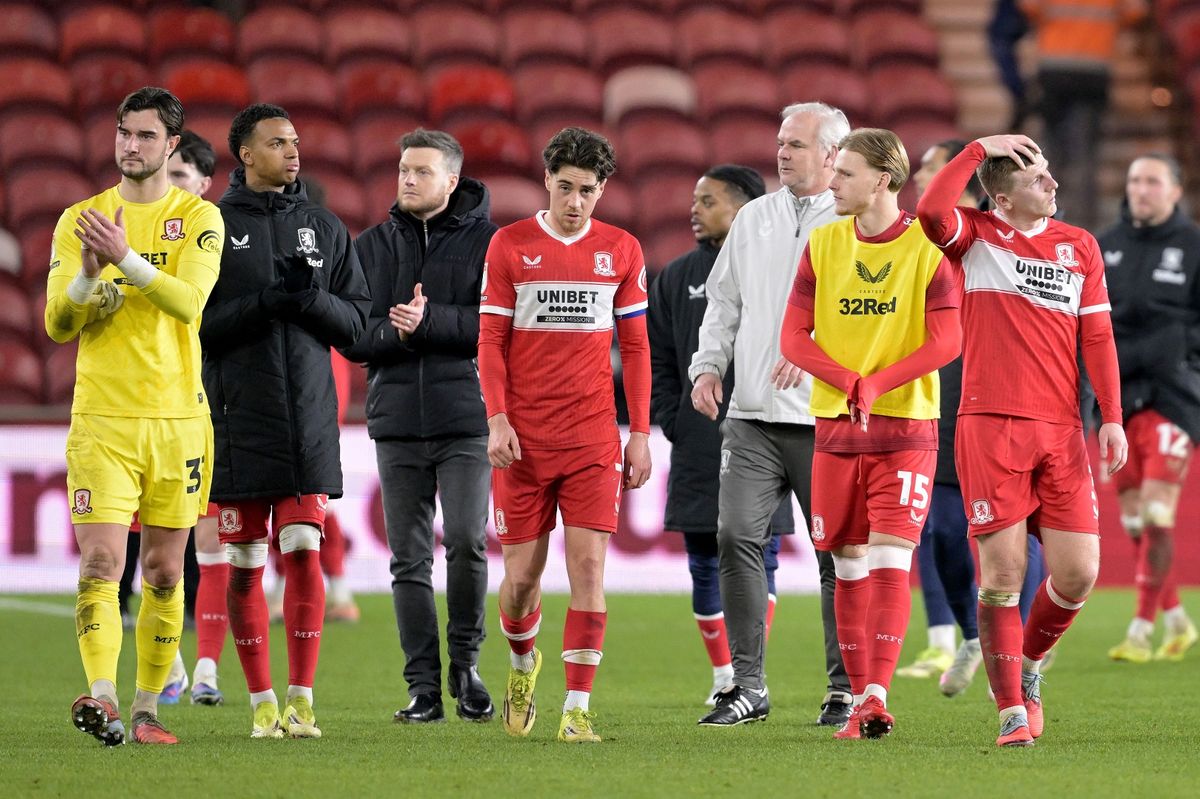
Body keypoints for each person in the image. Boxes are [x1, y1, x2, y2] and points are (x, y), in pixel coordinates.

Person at [917, 134, 1127, 747]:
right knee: (1002, 576)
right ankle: (1011, 709)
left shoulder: (1080, 247)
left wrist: (1109, 415)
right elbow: (931, 210)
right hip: (989, 428)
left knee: (1079, 574)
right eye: (1039, 179)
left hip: (1061, 430)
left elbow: (1098, 338)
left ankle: (1028, 667)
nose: (1053, 185)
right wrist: (979, 148)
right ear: (1003, 197)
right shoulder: (976, 237)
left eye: (1051, 175)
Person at [48, 87, 225, 745]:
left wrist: (123, 260)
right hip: (102, 418)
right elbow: (57, 322)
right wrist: (85, 280)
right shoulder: (80, 218)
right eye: (125, 132)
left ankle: (148, 708)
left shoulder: (201, 216)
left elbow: (189, 302)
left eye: (147, 135)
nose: (131, 145)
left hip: (177, 419)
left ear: (171, 145)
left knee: (164, 570)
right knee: (100, 562)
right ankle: (103, 698)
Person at [781, 127, 962, 739]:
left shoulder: (926, 249)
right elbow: (792, 337)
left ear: (882, 179)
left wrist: (878, 383)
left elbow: (948, 340)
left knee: (889, 558)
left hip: (906, 425)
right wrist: (848, 379)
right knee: (846, 565)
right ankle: (860, 700)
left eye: (845, 174)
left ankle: (878, 696)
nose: (832, 183)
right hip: (835, 426)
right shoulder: (823, 244)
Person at [201, 103, 370, 739]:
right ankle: (261, 703)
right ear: (245, 154)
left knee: (302, 550)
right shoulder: (211, 227)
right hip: (237, 420)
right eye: (277, 142)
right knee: (245, 563)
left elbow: (356, 326)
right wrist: (267, 302)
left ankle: (301, 698)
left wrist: (310, 300)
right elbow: (199, 327)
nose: (293, 152)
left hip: (308, 418)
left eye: (295, 141)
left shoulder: (324, 227)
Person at [478, 127, 651, 744]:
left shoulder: (622, 250)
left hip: (591, 439)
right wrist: (496, 418)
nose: (576, 201)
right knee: (522, 582)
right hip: (523, 440)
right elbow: (491, 342)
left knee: (589, 570)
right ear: (547, 181)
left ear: (602, 190)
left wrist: (640, 432)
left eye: (588, 190)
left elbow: (634, 346)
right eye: (566, 187)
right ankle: (523, 664)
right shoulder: (510, 245)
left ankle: (576, 710)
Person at [689, 102, 853, 727]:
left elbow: (871, 318)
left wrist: (818, 360)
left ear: (833, 155)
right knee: (735, 538)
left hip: (828, 419)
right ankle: (748, 686)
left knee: (837, 556)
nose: (783, 153)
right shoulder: (753, 217)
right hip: (752, 414)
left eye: (798, 144)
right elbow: (724, 302)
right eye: (782, 142)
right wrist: (708, 366)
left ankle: (845, 688)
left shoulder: (854, 220)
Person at [344, 129, 496, 723]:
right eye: (404, 169)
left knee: (466, 540)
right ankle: (423, 690)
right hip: (398, 421)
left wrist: (430, 322)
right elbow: (354, 332)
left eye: (421, 172)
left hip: (468, 420)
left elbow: (497, 326)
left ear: (452, 181)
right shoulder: (371, 246)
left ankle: (466, 664)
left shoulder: (492, 244)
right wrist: (395, 332)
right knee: (408, 558)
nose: (407, 179)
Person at [898, 140, 1046, 693]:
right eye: (922, 172)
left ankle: (1018, 652)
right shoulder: (909, 240)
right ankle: (973, 636)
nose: (923, 180)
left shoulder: (986, 239)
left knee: (1016, 535)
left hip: (1004, 400)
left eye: (934, 171)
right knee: (939, 533)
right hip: (938, 400)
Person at [648, 164, 797, 705]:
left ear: (741, 210)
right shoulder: (674, 275)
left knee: (763, 552)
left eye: (707, 201)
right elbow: (659, 356)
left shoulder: (776, 265)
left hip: (765, 430)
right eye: (695, 200)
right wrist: (673, 416)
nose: (694, 209)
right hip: (698, 440)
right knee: (702, 558)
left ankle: (748, 671)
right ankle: (724, 675)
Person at [1099, 154, 1200, 663]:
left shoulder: (1194, 246)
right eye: (1134, 179)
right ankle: (1179, 620)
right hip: (1120, 402)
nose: (1141, 189)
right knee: (1137, 523)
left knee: (1159, 511)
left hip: (1174, 397)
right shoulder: (1105, 245)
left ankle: (1140, 630)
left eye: (1152, 181)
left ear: (1175, 190)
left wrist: (1186, 359)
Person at [1022, 0, 1147, 229]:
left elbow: (1028, 8)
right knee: (1086, 154)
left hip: (1054, 69)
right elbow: (1135, 12)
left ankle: (1043, 221)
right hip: (1094, 70)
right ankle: (1083, 225)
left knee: (1049, 152)